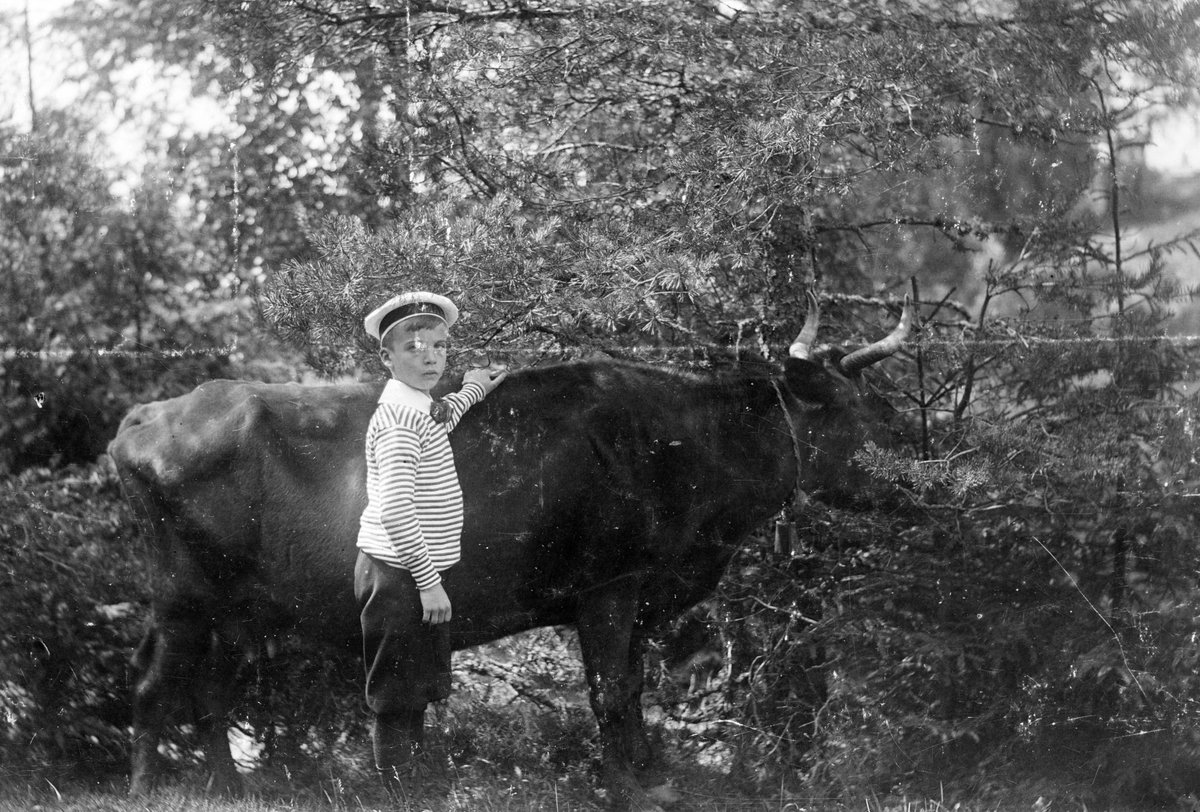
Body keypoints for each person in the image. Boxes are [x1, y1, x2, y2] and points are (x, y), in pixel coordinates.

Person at [354, 291, 507, 781]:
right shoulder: (399, 420)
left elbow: (442, 415)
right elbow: (395, 510)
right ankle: (399, 794)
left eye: (439, 347)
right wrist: (428, 581)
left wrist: (473, 390)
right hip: (398, 574)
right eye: (414, 348)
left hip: (413, 572)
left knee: (414, 683)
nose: (430, 358)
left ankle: (415, 783)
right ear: (387, 357)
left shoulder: (417, 405)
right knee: (396, 693)